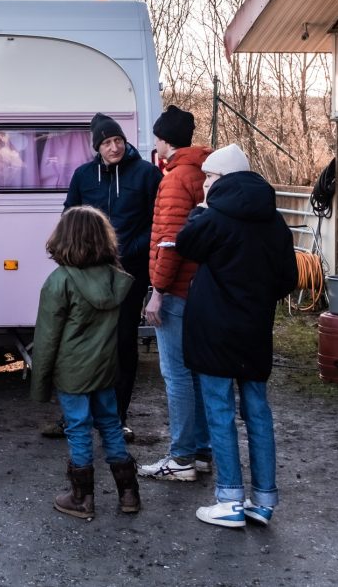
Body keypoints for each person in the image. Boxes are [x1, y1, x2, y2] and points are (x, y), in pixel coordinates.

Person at [175, 144, 297, 528]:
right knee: (258, 411)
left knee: (220, 409)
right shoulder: (274, 221)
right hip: (255, 329)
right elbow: (289, 279)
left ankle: (229, 500)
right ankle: (262, 501)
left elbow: (184, 243)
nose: (205, 184)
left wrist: (200, 211)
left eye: (209, 177)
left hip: (214, 330)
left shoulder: (214, 218)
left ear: (225, 179)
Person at [31, 206, 140, 520]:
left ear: (63, 238)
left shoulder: (59, 281)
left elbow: (47, 337)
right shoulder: (115, 279)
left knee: (78, 428)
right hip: (106, 368)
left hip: (73, 370)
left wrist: (39, 384)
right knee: (110, 424)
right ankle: (129, 493)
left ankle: (82, 498)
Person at [61, 113, 160, 438]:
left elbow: (157, 222)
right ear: (97, 147)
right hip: (89, 273)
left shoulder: (146, 174)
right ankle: (80, 414)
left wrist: (132, 246)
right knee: (87, 342)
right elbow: (70, 216)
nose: (114, 147)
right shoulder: (83, 175)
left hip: (129, 272)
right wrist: (77, 254)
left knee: (122, 342)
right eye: (107, 142)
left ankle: (117, 417)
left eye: (118, 140)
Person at [140, 104, 213, 481]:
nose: (155, 144)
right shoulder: (202, 172)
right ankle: (200, 451)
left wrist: (158, 291)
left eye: (157, 138)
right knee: (196, 372)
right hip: (198, 288)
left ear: (166, 141)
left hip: (176, 291)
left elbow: (170, 243)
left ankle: (181, 458)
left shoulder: (174, 179)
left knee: (177, 375)